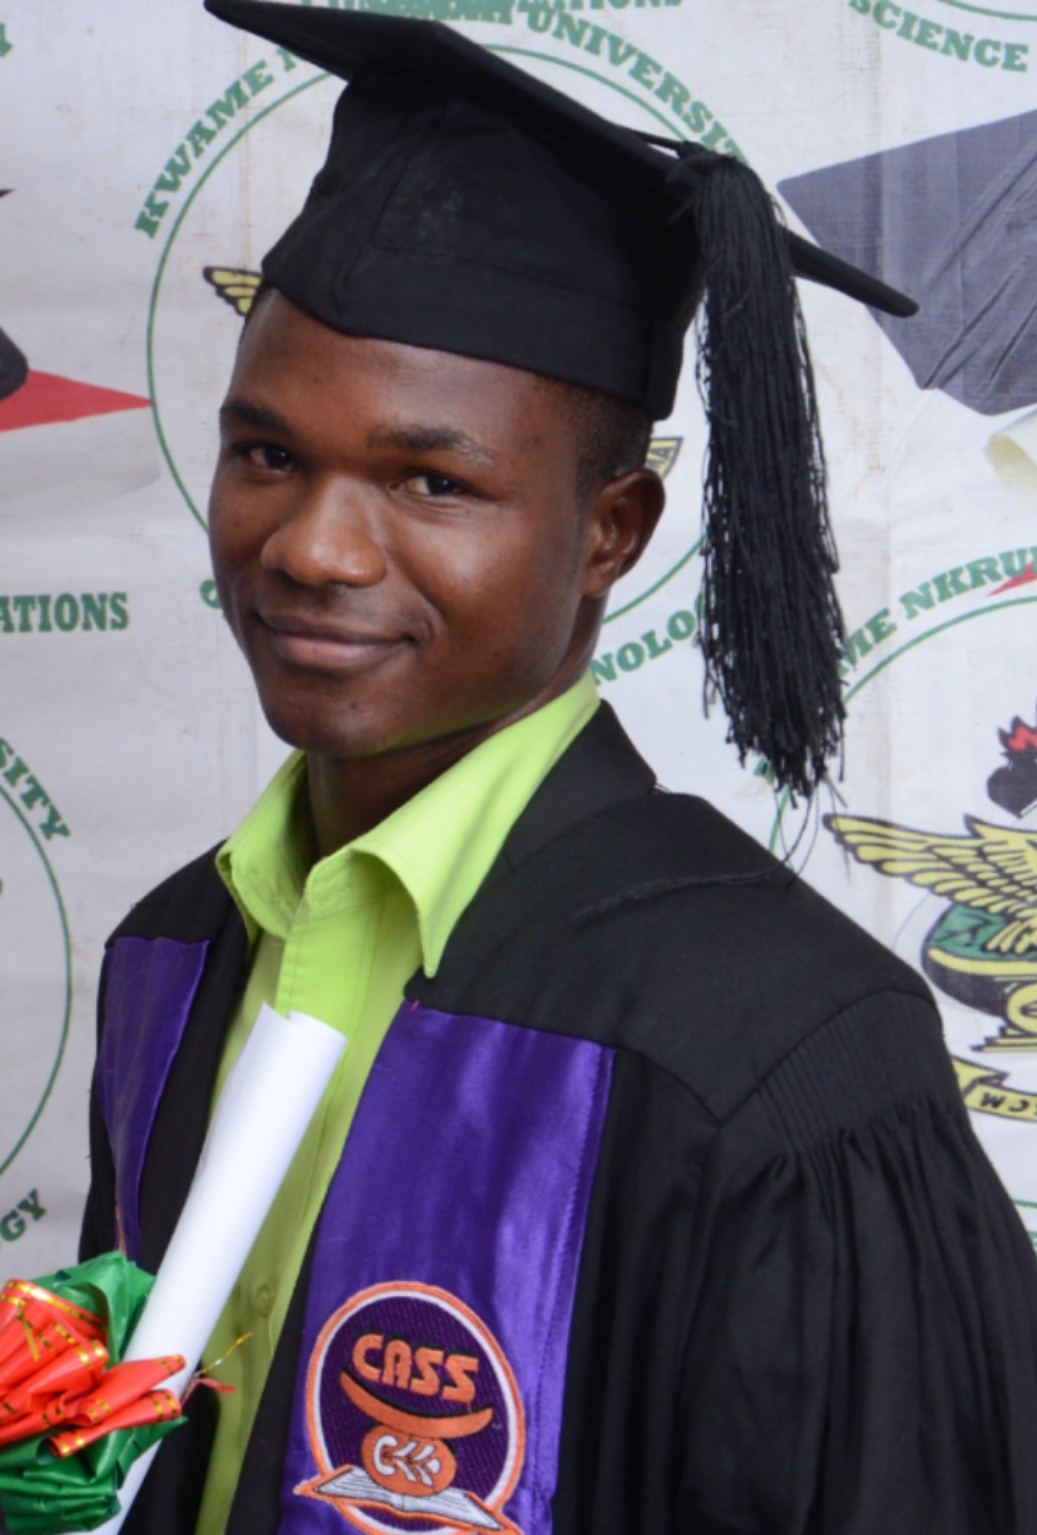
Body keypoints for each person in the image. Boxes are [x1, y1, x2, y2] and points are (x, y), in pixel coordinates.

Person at [79, 2, 1037, 1532]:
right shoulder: (173, 951)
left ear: (609, 531)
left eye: (429, 479)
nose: (313, 548)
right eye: (268, 453)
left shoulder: (778, 1052)